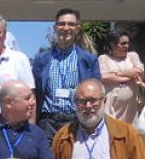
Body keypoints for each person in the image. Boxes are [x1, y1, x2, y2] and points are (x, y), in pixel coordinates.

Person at [32, 8, 101, 140]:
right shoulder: (42, 59)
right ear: (55, 27)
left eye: (71, 24)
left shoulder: (89, 60)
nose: (66, 27)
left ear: (77, 28)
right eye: (62, 24)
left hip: (76, 120)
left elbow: (97, 93)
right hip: (48, 122)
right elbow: (34, 93)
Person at [97, 29, 145, 123]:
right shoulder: (104, 59)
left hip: (130, 108)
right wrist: (129, 76)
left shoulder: (132, 56)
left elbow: (139, 72)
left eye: (127, 43)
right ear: (112, 44)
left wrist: (116, 74)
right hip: (111, 107)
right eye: (123, 43)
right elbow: (104, 77)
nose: (126, 46)